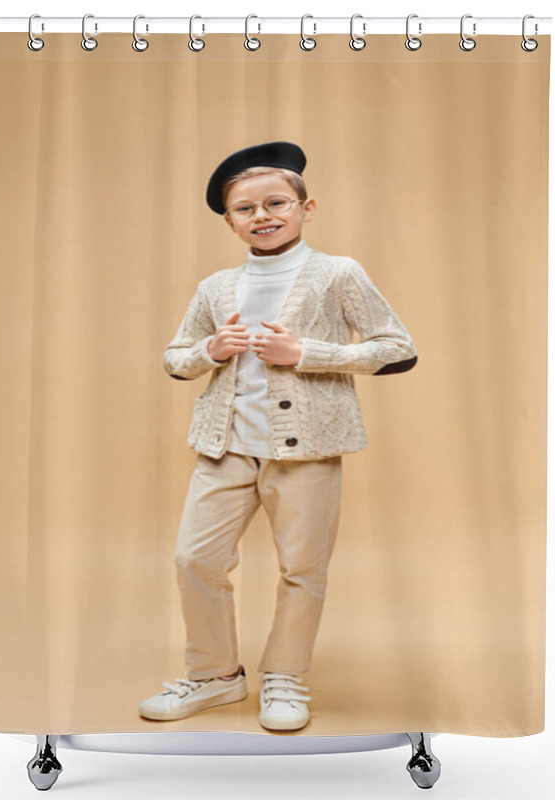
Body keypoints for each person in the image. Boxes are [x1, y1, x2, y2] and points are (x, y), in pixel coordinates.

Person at [139, 141, 418, 732]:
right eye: (246, 209)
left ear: (305, 207)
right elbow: (174, 357)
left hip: (308, 448)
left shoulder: (338, 272)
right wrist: (209, 351)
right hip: (225, 446)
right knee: (195, 559)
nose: (262, 216)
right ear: (229, 220)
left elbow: (399, 349)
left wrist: (307, 353)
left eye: (275, 203)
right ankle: (214, 675)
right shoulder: (216, 286)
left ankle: (284, 677)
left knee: (302, 569)